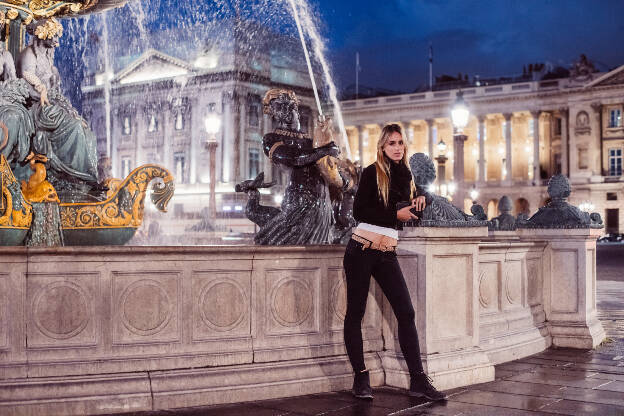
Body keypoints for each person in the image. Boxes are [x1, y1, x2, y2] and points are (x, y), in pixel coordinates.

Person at [343, 123, 446, 401]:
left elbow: (409, 211)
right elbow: (360, 211)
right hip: (361, 249)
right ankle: (361, 377)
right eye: (391, 143)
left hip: (387, 252)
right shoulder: (370, 173)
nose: (397, 148)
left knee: (407, 312)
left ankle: (418, 380)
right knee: (355, 313)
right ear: (382, 147)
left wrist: (421, 200)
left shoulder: (406, 177)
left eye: (400, 143)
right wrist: (395, 215)